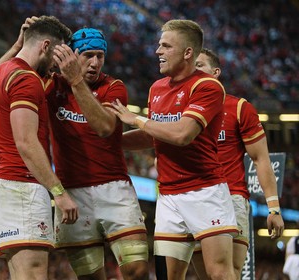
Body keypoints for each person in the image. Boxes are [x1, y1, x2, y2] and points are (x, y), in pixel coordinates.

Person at [0, 22, 149, 280]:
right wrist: (19, 45)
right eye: (87, 55)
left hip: (114, 189)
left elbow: (105, 128)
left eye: (100, 56)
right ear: (71, 55)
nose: (95, 63)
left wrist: (76, 81)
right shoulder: (51, 84)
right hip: (72, 192)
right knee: (89, 277)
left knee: (136, 271)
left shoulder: (113, 87)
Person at [111, 19, 238, 279]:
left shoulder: (207, 86)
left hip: (205, 192)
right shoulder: (156, 89)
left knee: (219, 274)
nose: (158, 51)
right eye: (159, 45)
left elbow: (181, 135)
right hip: (168, 196)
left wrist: (135, 119)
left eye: (166, 46)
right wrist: (110, 142)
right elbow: (154, 135)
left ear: (187, 52)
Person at [0, 15, 78, 280]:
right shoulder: (26, 78)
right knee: (34, 275)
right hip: (22, 186)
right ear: (45, 46)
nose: (57, 65)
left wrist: (15, 46)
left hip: (5, 187)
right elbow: (26, 141)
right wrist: (58, 192)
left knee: (21, 274)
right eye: (57, 53)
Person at [191, 48, 285, 279]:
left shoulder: (239, 108)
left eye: (200, 65)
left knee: (227, 273)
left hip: (229, 196)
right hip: (189, 198)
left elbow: (261, 159)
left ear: (216, 72)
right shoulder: (180, 108)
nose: (194, 71)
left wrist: (273, 207)